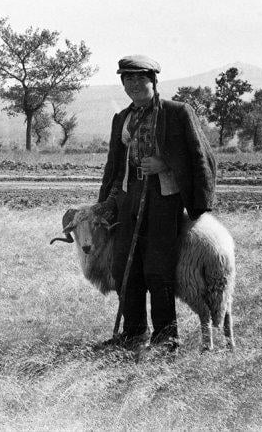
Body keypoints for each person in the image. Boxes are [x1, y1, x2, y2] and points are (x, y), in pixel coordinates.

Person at [98, 54, 217, 353]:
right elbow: (114, 166)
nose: (134, 84)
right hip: (129, 198)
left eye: (140, 78)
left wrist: (164, 163)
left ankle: (166, 338)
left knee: (157, 269)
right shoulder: (121, 118)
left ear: (153, 80)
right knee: (124, 267)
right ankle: (134, 333)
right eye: (128, 79)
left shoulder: (177, 112)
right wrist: (106, 203)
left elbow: (200, 156)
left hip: (163, 199)